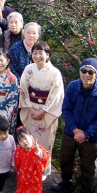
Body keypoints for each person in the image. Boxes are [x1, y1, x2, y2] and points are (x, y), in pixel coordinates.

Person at [52, 58, 97, 193]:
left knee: (87, 167)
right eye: (84, 71)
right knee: (65, 160)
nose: (86, 75)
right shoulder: (73, 86)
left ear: (96, 74)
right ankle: (66, 184)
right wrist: (75, 130)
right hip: (71, 132)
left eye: (90, 72)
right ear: (80, 72)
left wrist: (86, 134)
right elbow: (66, 109)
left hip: (90, 137)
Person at [19, 41, 64, 178]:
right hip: (31, 108)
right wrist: (30, 108)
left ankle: (43, 169)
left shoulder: (55, 73)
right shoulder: (29, 69)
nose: (37, 56)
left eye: (40, 53)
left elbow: (56, 94)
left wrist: (43, 111)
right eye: (34, 53)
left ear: (47, 55)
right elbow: (23, 88)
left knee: (44, 142)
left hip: (46, 111)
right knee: (29, 139)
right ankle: (28, 166)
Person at [11, 126, 50, 193]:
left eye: (25, 138)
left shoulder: (38, 148)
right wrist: (19, 171)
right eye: (20, 141)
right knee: (20, 192)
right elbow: (17, 163)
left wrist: (38, 152)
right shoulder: (19, 150)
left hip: (35, 177)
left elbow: (46, 157)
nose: (24, 142)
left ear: (31, 137)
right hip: (23, 176)